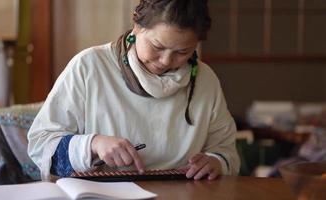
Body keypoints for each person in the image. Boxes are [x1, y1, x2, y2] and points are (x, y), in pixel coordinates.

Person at [28, 0, 240, 181]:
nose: (166, 61)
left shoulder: (205, 80)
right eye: (157, 47)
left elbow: (225, 150)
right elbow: (41, 146)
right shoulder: (90, 66)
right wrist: (93, 144)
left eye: (182, 52)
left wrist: (216, 162)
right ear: (137, 26)